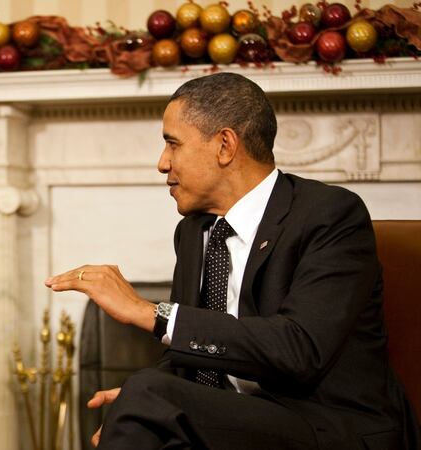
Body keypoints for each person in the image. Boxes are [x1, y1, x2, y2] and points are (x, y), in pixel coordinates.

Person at [46, 72, 418, 449]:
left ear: (225, 145)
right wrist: (143, 405)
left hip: (329, 425)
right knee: (146, 401)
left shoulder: (330, 215)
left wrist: (149, 313)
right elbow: (193, 352)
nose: (162, 163)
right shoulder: (194, 231)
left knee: (149, 395)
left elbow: (301, 349)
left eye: (173, 144)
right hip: (241, 422)